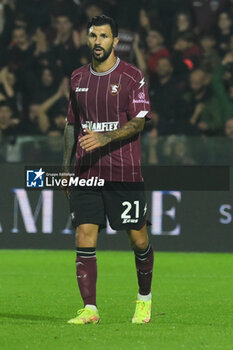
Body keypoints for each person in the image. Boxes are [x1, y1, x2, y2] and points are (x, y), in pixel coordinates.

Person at [62, 15, 154, 325]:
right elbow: (71, 126)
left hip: (124, 173)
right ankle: (90, 309)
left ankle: (144, 300)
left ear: (115, 41)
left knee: (138, 239)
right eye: (92, 36)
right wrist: (65, 169)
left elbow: (138, 122)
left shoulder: (131, 76)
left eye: (103, 36)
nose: (97, 42)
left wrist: (104, 136)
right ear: (86, 39)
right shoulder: (76, 78)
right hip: (86, 172)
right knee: (84, 233)